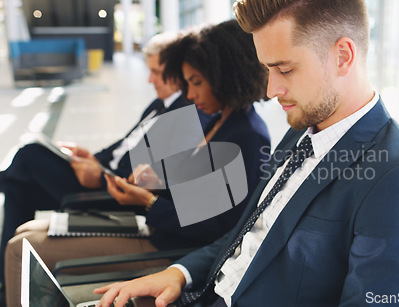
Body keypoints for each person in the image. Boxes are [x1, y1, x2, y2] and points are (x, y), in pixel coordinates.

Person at [94, 1, 399, 306]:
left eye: (285, 69)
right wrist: (178, 274)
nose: (271, 89)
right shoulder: (298, 135)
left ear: (343, 56)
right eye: (266, 69)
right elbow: (244, 235)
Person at [4, 19, 270, 307]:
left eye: (196, 82)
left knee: (21, 247)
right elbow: (198, 198)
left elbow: (216, 227)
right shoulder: (221, 122)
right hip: (157, 230)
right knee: (24, 232)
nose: (190, 95)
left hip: (170, 248)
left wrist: (147, 202)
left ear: (225, 76)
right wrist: (155, 182)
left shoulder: (246, 137)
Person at [0, 33, 211, 286]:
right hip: (103, 175)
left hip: (109, 190)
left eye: (156, 71)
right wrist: (92, 157)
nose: (149, 79)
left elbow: (140, 176)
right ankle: (4, 279)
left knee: (29, 154)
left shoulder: (184, 114)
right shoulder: (160, 104)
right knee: (17, 188)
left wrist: (98, 176)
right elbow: (123, 145)